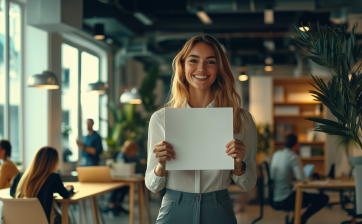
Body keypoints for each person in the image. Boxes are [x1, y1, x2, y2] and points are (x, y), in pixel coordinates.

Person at [145, 34, 257, 224]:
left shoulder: (240, 119)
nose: (201, 68)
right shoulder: (161, 119)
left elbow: (248, 184)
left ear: (219, 68)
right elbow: (152, 185)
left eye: (210, 62)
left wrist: (238, 166)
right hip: (174, 207)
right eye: (193, 60)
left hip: (219, 208)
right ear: (183, 66)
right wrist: (161, 165)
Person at [270, 134, 329, 224]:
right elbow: (303, 179)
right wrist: (309, 179)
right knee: (323, 198)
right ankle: (300, 220)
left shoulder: (276, 154)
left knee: (305, 194)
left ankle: (296, 220)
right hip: (286, 198)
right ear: (296, 144)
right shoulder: (294, 157)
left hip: (274, 197)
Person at [11, 147, 74, 222]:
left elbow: (12, 194)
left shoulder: (20, 177)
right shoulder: (53, 178)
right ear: (53, 162)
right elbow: (65, 195)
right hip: (43, 221)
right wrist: (70, 189)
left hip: (21, 220)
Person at [103, 140, 146, 216]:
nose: (135, 152)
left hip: (124, 178)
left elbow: (136, 162)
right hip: (117, 178)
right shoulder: (121, 155)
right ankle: (112, 205)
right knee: (118, 187)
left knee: (126, 187)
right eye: (134, 150)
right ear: (130, 149)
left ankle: (118, 205)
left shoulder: (129, 156)